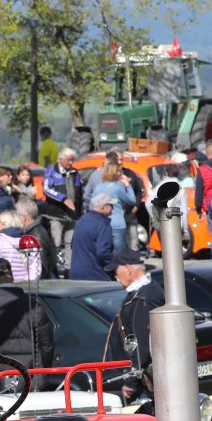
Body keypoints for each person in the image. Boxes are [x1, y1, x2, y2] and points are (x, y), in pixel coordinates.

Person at [101, 248, 162, 402]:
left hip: (143, 385)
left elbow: (141, 343)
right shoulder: (146, 292)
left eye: (115, 271)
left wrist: (131, 381)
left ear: (128, 269)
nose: (115, 276)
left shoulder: (142, 298)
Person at [88, 160, 136, 255]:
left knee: (103, 251)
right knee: (119, 254)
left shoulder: (98, 187)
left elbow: (91, 205)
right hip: (117, 223)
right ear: (117, 173)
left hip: (101, 223)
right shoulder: (118, 187)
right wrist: (127, 185)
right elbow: (132, 200)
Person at [68, 190, 116, 281]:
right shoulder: (103, 224)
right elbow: (103, 253)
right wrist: (115, 265)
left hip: (76, 274)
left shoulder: (82, 220)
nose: (113, 209)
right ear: (104, 207)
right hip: (96, 276)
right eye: (111, 206)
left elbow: (73, 245)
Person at [42, 148, 83, 252]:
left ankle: (68, 263)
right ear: (60, 159)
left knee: (71, 243)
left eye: (72, 160)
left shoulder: (75, 173)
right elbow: (46, 189)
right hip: (56, 214)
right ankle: (55, 262)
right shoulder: (51, 171)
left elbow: (80, 192)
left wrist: (80, 211)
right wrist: (63, 199)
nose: (71, 163)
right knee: (56, 242)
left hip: (72, 214)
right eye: (69, 160)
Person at [0, 208, 36, 281]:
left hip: (6, 284)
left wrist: (8, 283)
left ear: (4, 224)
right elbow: (35, 266)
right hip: (27, 285)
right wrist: (28, 282)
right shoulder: (30, 242)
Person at [16, 198, 59, 280]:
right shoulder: (36, 231)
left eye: (17, 216)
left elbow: (42, 267)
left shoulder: (35, 236)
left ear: (23, 218)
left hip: (40, 284)